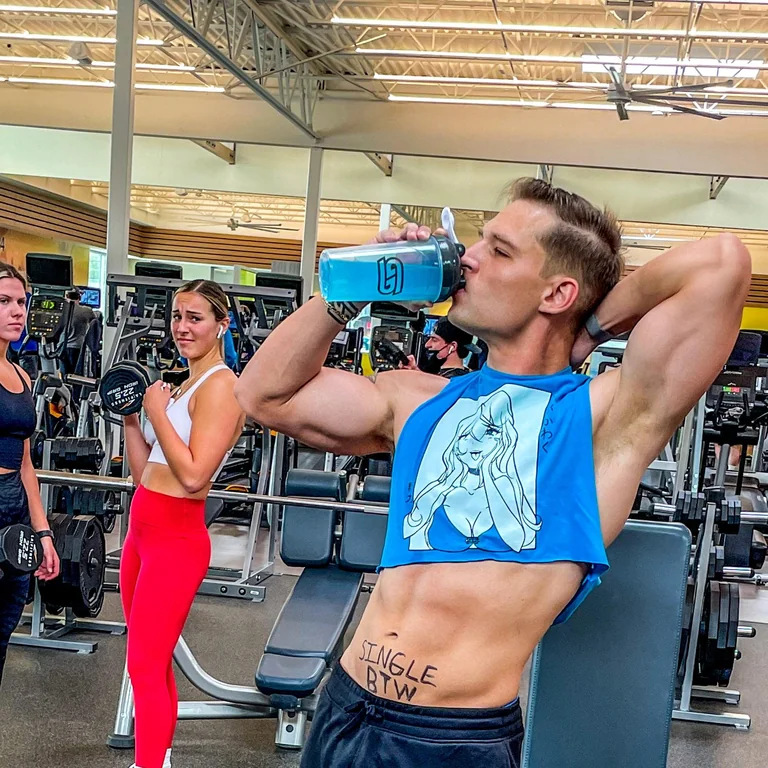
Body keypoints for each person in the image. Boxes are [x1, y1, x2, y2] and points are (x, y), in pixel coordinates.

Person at [234, 178, 751, 768]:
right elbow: (263, 396)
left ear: (557, 292)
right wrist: (347, 292)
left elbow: (721, 264)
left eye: (499, 251)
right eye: (479, 241)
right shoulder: (417, 399)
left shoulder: (601, 419)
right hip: (343, 709)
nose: (468, 258)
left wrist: (589, 331)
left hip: (450, 740)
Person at [121, 279, 245, 768]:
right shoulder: (184, 385)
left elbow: (194, 476)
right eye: (177, 316)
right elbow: (145, 473)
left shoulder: (222, 387)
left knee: (145, 664)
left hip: (175, 540)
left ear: (221, 324)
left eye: (195, 318)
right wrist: (133, 419)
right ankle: (159, 757)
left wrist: (157, 411)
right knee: (149, 663)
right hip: (141, 533)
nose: (182, 327)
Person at [0, 262, 60, 687]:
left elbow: (25, 464)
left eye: (21, 302)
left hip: (15, 511)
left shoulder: (21, 374)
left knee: (2, 634)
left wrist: (43, 533)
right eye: (4, 301)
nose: (17, 311)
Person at [403, 317, 473, 378]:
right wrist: (414, 369)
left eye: (434, 340)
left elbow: (436, 385)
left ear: (453, 346)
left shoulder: (455, 381)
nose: (427, 345)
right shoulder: (462, 376)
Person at [53, 288, 96, 375]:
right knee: (76, 376)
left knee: (63, 375)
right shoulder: (86, 311)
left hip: (61, 347)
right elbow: (96, 319)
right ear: (79, 297)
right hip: (77, 348)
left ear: (66, 297)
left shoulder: (61, 309)